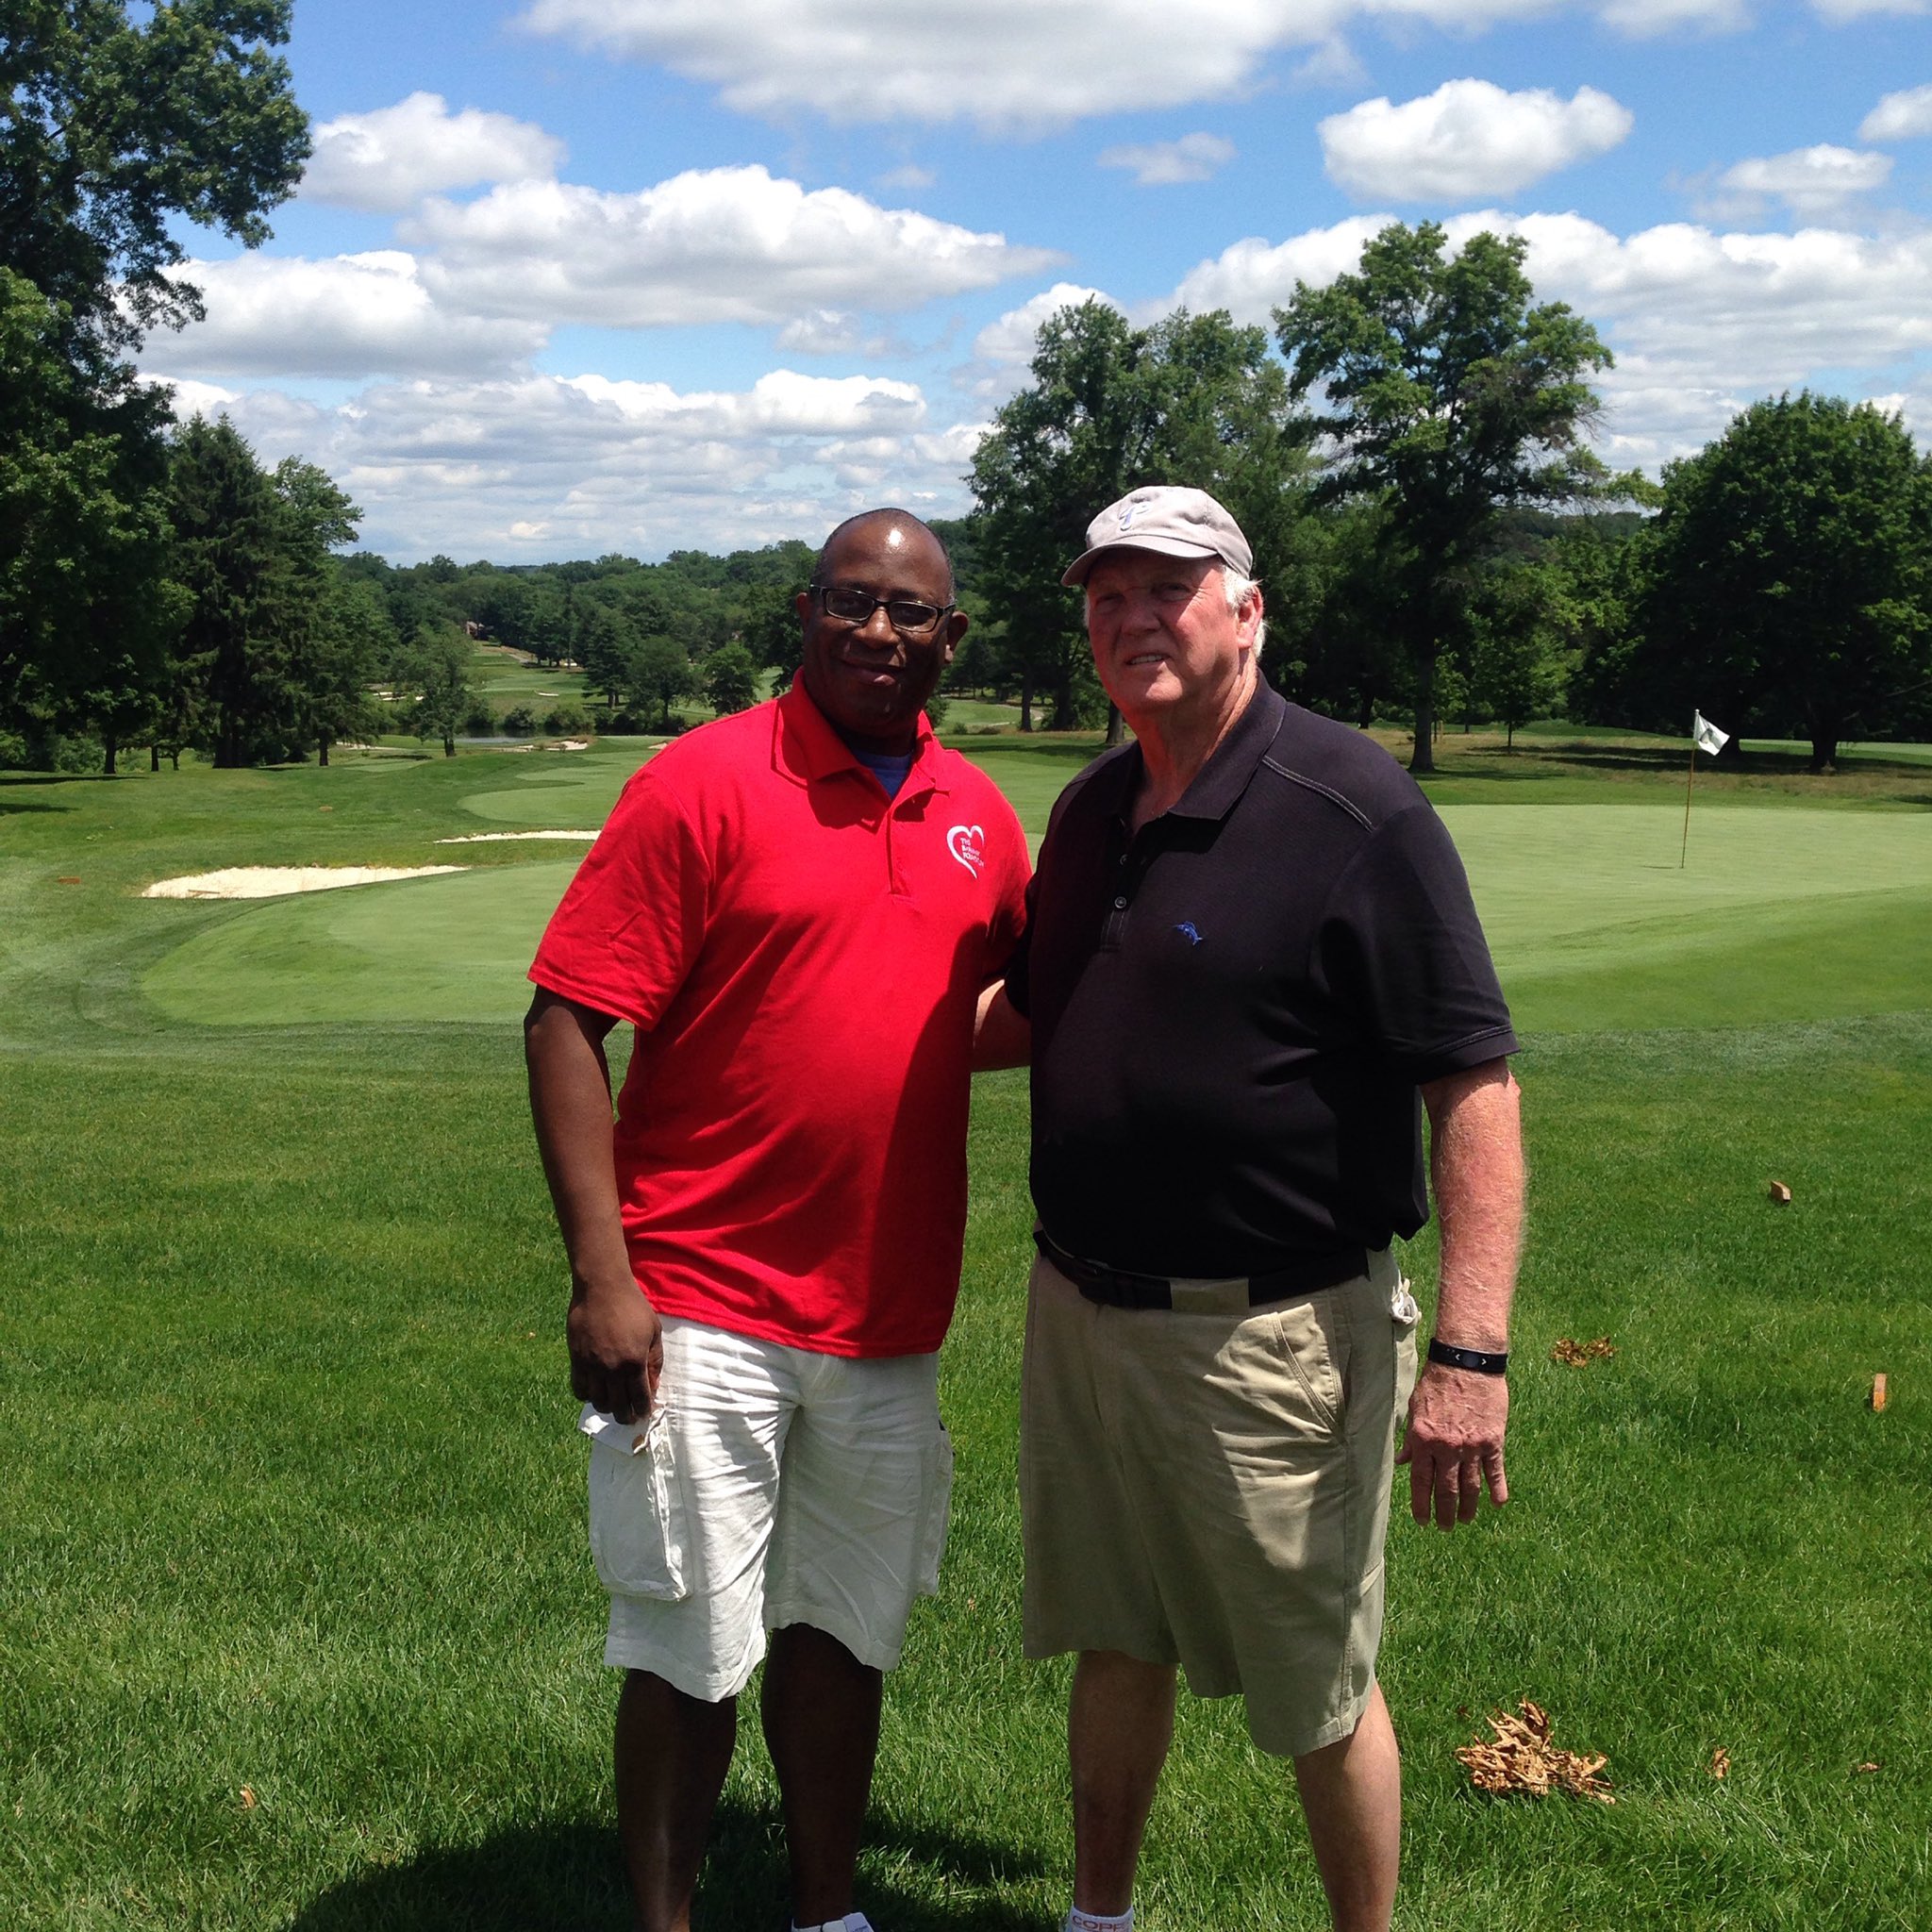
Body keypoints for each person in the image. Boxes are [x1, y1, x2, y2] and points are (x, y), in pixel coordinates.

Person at [990, 486, 1524, 1932]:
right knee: (1116, 1637)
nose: (1131, 620)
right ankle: (1099, 1918)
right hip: (1082, 1310)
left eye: (1168, 588)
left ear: (1249, 604)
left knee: (1315, 1688)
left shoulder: (1356, 808)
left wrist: (1471, 1358)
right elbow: (1035, 1010)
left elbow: (1472, 1086)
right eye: (1105, 596)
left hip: (1272, 1335)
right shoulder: (1094, 804)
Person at [524, 509, 1029, 1932]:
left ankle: (827, 1910)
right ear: (804, 612)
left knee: (845, 1631)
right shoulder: (703, 783)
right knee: (689, 1639)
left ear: (953, 638)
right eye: (852, 603)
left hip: (886, 1311)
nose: (880, 632)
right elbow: (569, 1015)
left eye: (911, 612)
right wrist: (600, 1277)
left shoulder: (982, 817)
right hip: (699, 1294)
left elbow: (1003, 1006)